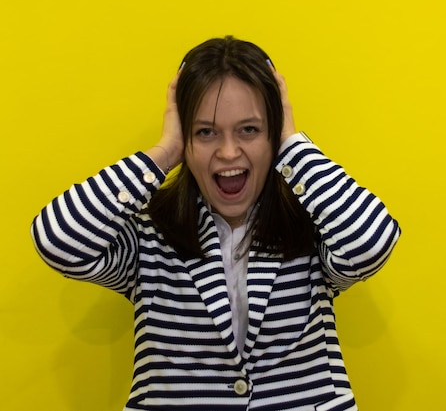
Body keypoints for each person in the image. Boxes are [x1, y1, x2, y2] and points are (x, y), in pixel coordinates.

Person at [31, 36, 400, 411]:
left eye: (250, 130)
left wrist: (291, 143)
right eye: (205, 132)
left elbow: (370, 243)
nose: (227, 152)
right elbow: (57, 240)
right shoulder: (147, 234)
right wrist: (165, 152)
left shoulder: (314, 222)